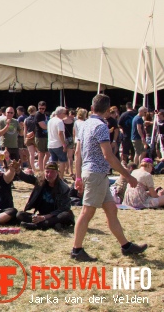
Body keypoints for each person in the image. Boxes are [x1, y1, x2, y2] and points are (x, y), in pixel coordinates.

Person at [71, 93, 147, 261]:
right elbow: (108, 156)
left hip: (93, 173)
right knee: (86, 212)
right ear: (107, 110)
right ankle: (76, 250)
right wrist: (127, 175)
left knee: (111, 210)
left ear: (92, 108)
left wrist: (78, 177)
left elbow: (78, 153)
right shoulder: (101, 126)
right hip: (96, 173)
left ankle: (126, 246)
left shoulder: (84, 124)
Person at [17, 162, 75, 230]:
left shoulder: (64, 188)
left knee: (66, 215)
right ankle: (53, 224)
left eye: (52, 172)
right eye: (47, 172)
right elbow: (28, 178)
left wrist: (44, 217)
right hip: (42, 214)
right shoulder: (41, 180)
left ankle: (37, 225)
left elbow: (64, 208)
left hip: (55, 215)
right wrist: (18, 171)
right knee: (20, 215)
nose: (49, 175)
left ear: (57, 173)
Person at [47, 106, 68, 178]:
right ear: (61, 113)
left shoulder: (50, 120)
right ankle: (60, 178)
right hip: (58, 144)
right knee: (62, 161)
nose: (65, 115)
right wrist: (64, 144)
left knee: (53, 162)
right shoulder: (59, 121)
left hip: (50, 144)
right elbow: (60, 133)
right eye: (65, 113)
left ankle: (53, 177)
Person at [35, 101, 49, 171]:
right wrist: (50, 127)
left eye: (43, 108)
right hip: (40, 137)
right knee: (41, 154)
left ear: (45, 108)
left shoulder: (44, 115)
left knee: (48, 153)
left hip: (45, 136)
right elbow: (43, 126)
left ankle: (43, 167)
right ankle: (41, 170)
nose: (41, 110)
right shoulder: (38, 115)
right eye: (40, 108)